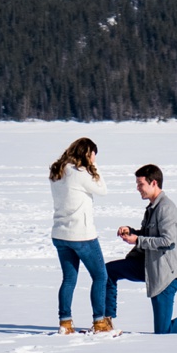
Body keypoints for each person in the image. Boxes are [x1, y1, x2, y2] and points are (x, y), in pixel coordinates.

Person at [105, 164, 177, 334]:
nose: (137, 188)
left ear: (154, 183)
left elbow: (168, 241)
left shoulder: (166, 208)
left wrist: (138, 239)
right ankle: (105, 322)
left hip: (164, 274)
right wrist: (132, 232)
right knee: (108, 271)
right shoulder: (153, 208)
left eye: (140, 184)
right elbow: (148, 234)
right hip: (148, 266)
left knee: (163, 331)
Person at [49, 137, 113, 335]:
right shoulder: (80, 173)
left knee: (69, 279)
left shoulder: (57, 171)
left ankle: (65, 323)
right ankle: (100, 322)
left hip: (60, 234)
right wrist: (94, 166)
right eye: (93, 155)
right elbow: (103, 190)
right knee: (101, 276)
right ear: (88, 153)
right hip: (81, 235)